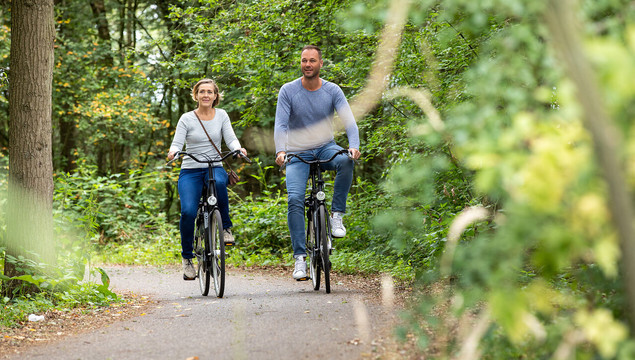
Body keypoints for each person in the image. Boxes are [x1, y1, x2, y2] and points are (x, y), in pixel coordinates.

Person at [274, 45, 361, 281]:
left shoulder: (332, 90)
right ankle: (300, 259)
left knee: (345, 160)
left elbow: (349, 122)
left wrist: (354, 145)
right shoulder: (288, 91)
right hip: (297, 151)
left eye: (312, 60)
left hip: (325, 146)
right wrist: (281, 150)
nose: (308, 64)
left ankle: (336, 216)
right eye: (304, 61)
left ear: (321, 63)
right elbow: (281, 125)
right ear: (300, 63)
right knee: (294, 199)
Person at [168, 78, 247, 280]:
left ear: (215, 96)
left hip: (215, 166)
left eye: (209, 92)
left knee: (220, 183)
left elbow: (230, 138)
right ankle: (187, 259)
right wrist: (174, 152)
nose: (205, 95)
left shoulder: (221, 115)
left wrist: (237, 148)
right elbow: (177, 143)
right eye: (202, 91)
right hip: (191, 170)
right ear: (196, 95)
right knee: (187, 212)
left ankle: (226, 227)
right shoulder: (186, 118)